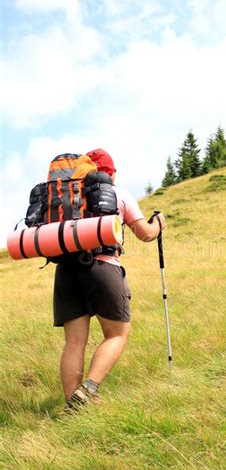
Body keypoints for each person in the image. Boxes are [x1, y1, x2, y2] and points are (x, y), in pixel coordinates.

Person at [53, 148, 164, 411]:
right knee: (117, 334)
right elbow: (146, 234)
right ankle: (89, 388)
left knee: (74, 341)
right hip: (103, 267)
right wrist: (158, 223)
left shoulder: (69, 198)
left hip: (66, 271)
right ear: (111, 172)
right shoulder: (118, 193)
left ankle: (73, 404)